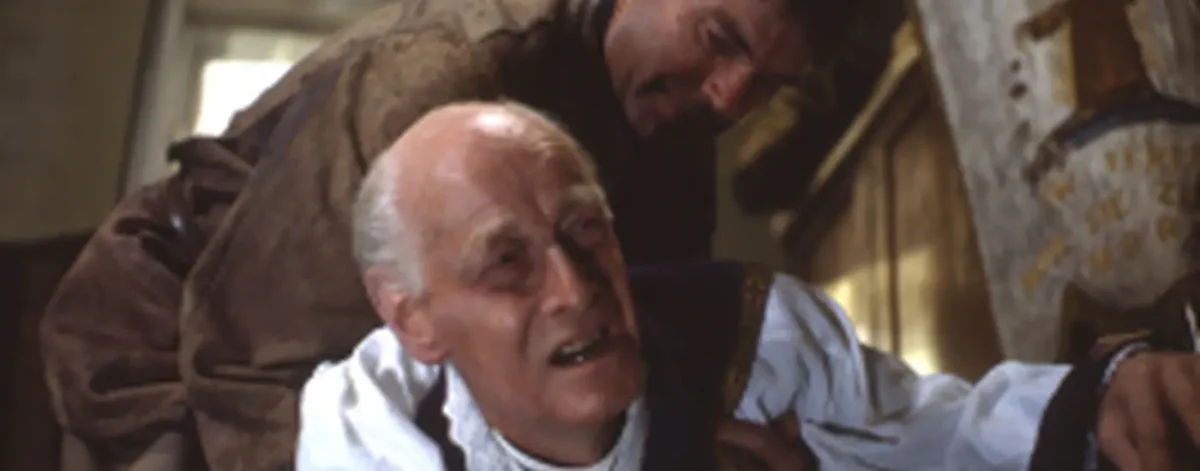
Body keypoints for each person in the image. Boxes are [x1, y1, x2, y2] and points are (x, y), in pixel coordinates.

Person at [43, 0, 907, 469]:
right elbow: (247, 366)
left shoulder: (673, 118)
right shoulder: (444, 79)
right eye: (718, 40)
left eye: (769, 84)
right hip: (167, 354)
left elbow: (657, 346)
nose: (729, 98)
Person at [298, 101, 1200, 471]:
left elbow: (939, 435)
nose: (575, 288)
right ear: (413, 318)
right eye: (506, 263)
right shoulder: (369, 435)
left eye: (585, 229)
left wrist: (1107, 395)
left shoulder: (749, 341)